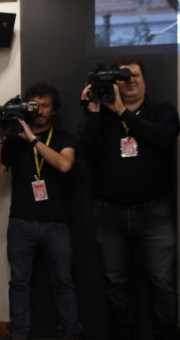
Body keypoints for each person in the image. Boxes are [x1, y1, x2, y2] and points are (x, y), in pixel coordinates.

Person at [77, 57, 179, 340]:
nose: (130, 80)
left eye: (134, 75)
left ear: (144, 80)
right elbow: (86, 152)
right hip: (109, 214)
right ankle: (121, 334)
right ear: (114, 83)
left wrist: (122, 112)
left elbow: (163, 138)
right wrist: (93, 111)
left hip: (155, 213)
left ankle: (167, 335)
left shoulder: (162, 110)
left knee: (163, 283)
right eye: (123, 77)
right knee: (115, 283)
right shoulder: (100, 115)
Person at [0, 82, 82, 340]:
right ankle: (18, 333)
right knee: (19, 283)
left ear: (54, 111)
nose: (39, 110)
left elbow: (64, 165)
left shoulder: (64, 138)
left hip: (56, 223)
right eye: (34, 105)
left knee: (63, 282)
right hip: (21, 222)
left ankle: (69, 333)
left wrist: (32, 139)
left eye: (45, 106)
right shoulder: (14, 143)